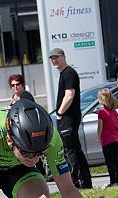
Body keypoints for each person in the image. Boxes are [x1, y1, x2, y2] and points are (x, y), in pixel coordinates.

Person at [49, 47, 92, 189]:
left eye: (57, 57)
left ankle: (74, 182)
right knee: (76, 149)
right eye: (52, 58)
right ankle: (86, 181)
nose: (54, 60)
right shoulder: (64, 74)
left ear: (63, 57)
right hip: (68, 117)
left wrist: (60, 113)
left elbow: (69, 95)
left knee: (70, 150)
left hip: (69, 117)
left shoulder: (69, 73)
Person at [97, 88, 118, 187]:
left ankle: (113, 181)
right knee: (116, 160)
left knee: (110, 161)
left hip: (107, 140)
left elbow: (100, 127)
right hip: (116, 139)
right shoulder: (114, 112)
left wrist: (99, 137)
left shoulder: (102, 112)